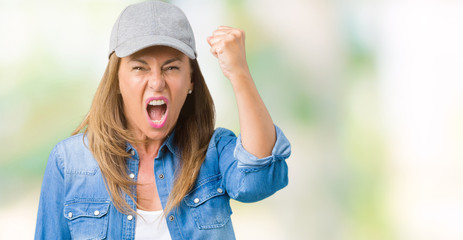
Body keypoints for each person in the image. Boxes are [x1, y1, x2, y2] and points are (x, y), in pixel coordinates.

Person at [35, 1, 290, 239]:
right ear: (117, 81)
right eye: (139, 68)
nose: (157, 82)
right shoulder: (68, 161)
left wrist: (239, 72)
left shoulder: (213, 150)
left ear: (191, 79)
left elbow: (258, 180)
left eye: (171, 67)